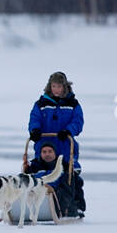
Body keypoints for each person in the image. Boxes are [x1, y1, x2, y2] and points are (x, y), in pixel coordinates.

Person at [27, 71, 85, 215]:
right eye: (54, 86)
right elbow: (35, 118)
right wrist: (34, 130)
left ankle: (73, 206)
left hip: (65, 148)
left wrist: (68, 131)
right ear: (50, 87)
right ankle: (32, 204)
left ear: (64, 87)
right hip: (44, 148)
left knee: (69, 176)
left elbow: (78, 122)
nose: (56, 89)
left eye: (59, 86)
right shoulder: (41, 104)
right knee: (39, 175)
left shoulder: (73, 104)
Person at [25, 142, 82, 219]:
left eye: (50, 151)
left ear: (55, 153)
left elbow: (65, 188)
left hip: (57, 196)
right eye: (44, 152)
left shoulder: (64, 167)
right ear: (40, 154)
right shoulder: (33, 167)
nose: (47, 154)